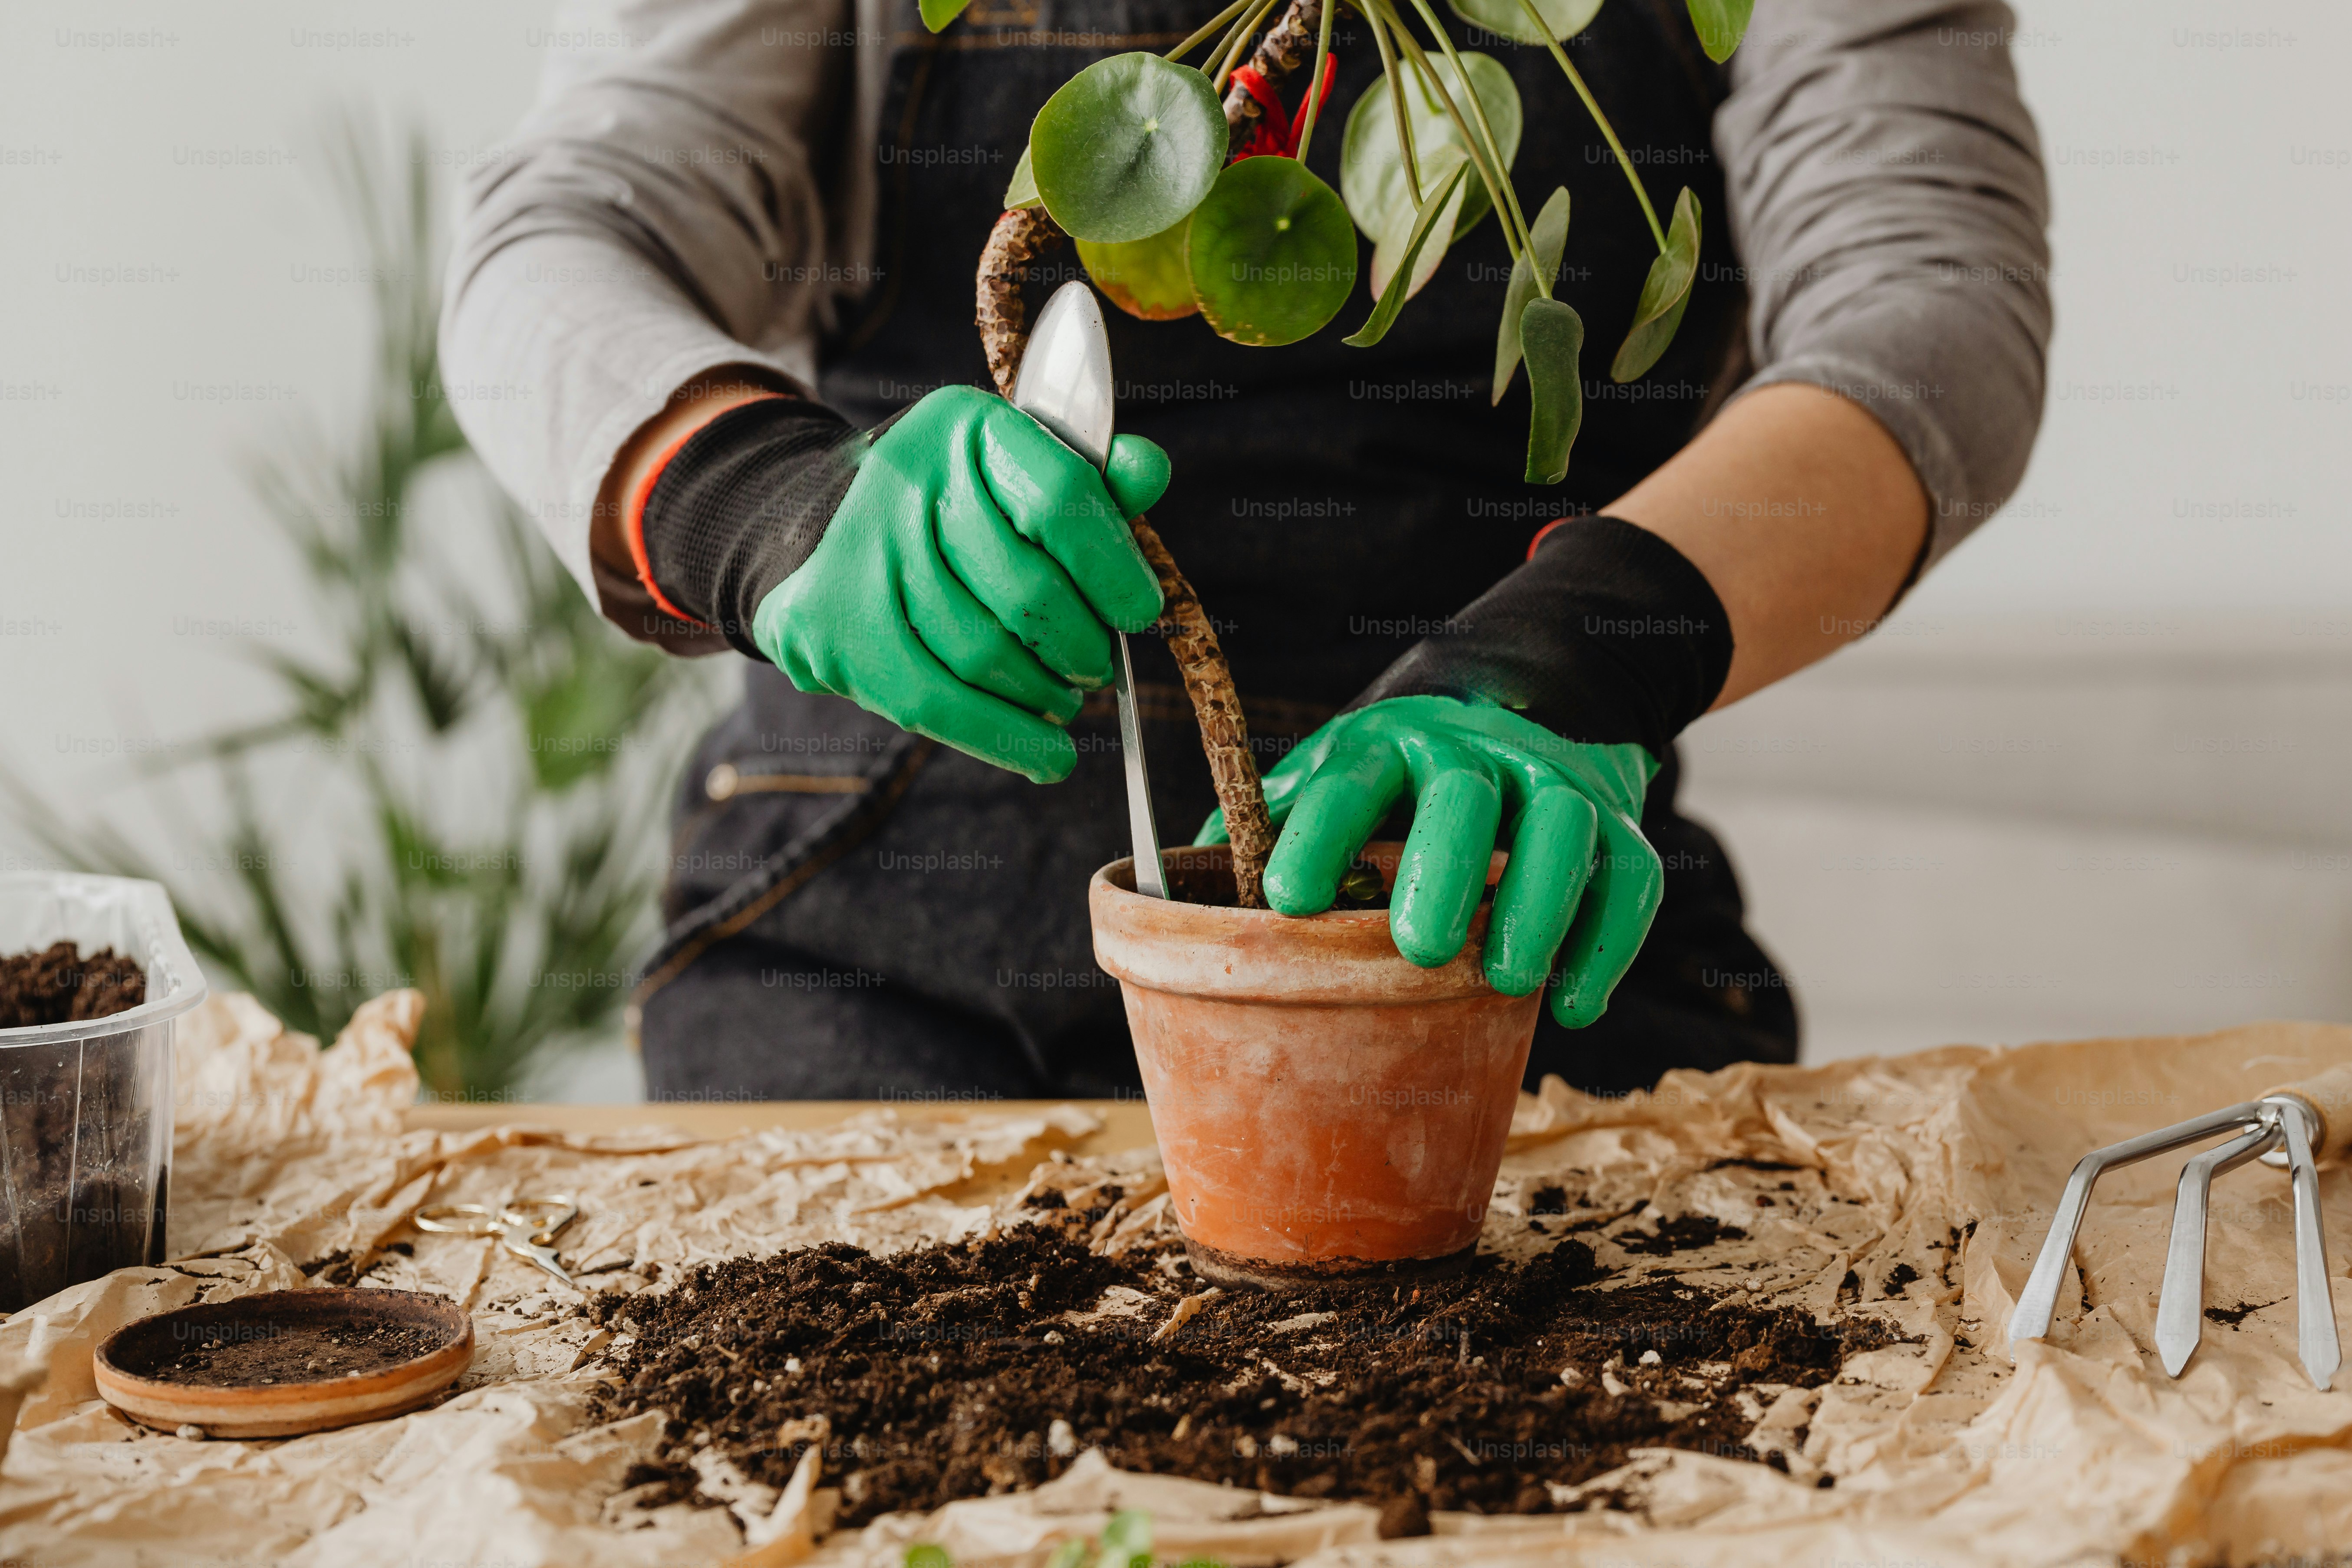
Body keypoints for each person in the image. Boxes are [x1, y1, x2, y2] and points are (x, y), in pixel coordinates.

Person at [442, 0, 2050, 1101]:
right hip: (883, 936)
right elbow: (570, 227)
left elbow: (1927, 306)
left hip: (1505, 905)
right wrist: (763, 501)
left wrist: (1575, 653)